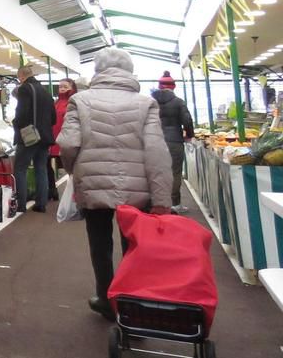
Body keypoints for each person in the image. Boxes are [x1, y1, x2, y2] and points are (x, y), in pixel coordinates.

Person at [57, 48, 172, 320]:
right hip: (138, 189)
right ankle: (134, 302)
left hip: (93, 184)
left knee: (100, 244)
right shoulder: (146, 103)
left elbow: (68, 143)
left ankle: (106, 299)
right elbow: (157, 151)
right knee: (134, 246)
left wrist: (74, 172)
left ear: (98, 69)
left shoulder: (80, 101)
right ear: (129, 69)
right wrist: (161, 199)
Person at [11, 65, 55, 213]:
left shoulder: (25, 89)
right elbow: (53, 118)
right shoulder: (46, 91)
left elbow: (21, 113)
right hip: (45, 137)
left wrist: (15, 123)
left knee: (20, 169)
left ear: (21, 76)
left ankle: (21, 205)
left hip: (29, 137)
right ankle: (41, 204)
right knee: (41, 168)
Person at [151, 71, 195, 213]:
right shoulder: (178, 102)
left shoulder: (151, 102)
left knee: (157, 172)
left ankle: (158, 203)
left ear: (159, 86)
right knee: (175, 172)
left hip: (155, 141)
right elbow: (187, 121)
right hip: (175, 141)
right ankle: (175, 203)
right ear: (174, 87)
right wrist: (189, 135)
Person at [48, 77, 77, 199]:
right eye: (60, 87)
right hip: (53, 140)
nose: (62, 89)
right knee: (46, 165)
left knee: (72, 168)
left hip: (67, 140)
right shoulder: (56, 102)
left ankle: (76, 194)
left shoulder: (75, 101)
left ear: (72, 88)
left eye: (65, 86)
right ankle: (52, 191)